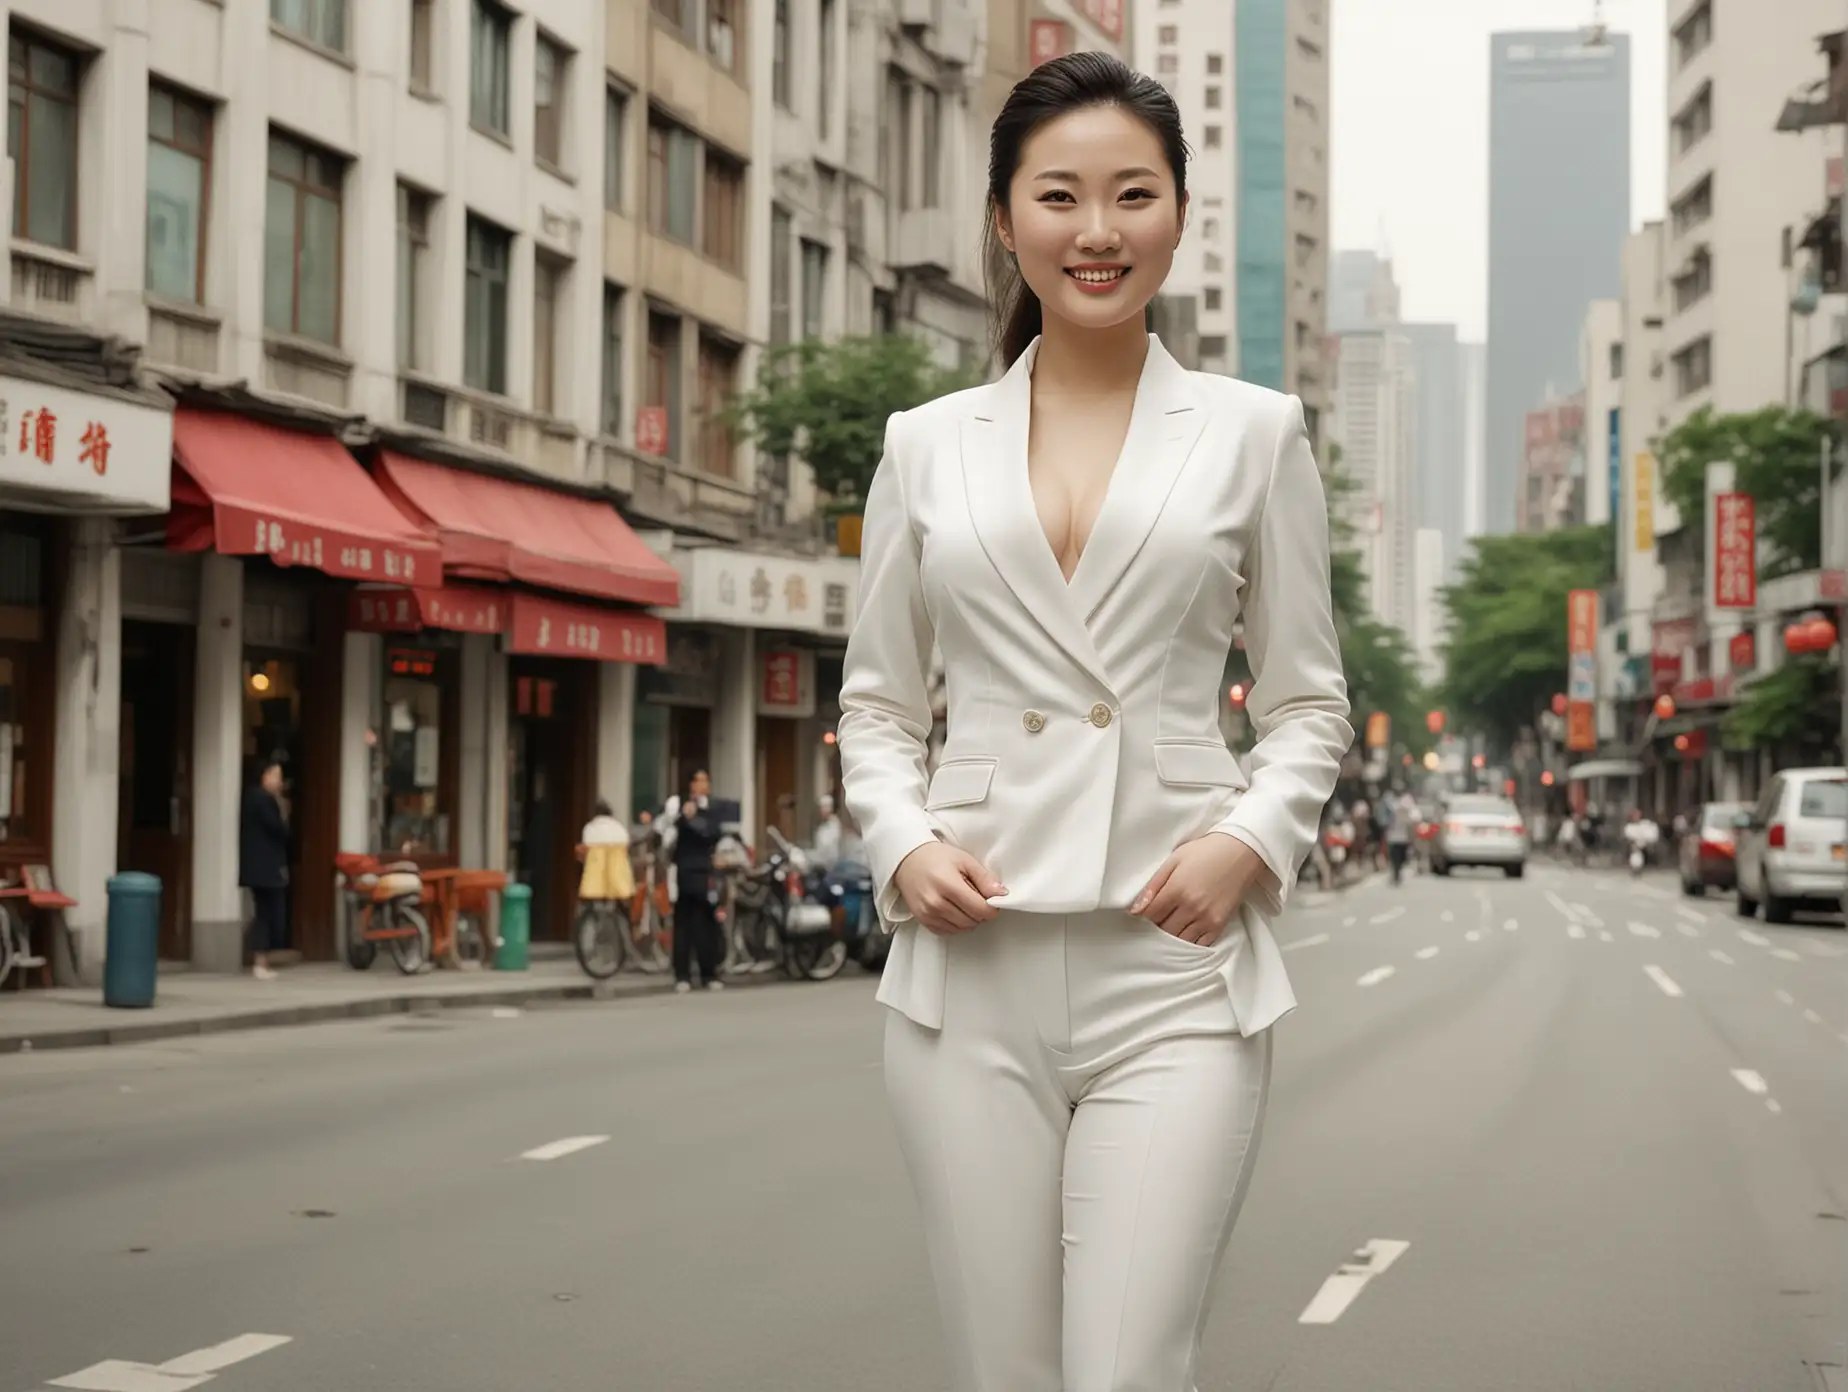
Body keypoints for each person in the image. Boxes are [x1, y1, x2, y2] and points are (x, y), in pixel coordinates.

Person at [837, 53, 1351, 1392]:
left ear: (1179, 216)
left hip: (1172, 965)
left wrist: (1248, 843)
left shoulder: (1254, 434)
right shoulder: (923, 444)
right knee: (1003, 1374)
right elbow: (879, 707)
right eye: (1059, 195)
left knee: (1126, 1369)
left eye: (1134, 194)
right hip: (969, 969)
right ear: (1005, 221)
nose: (1098, 230)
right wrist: (899, 845)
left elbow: (1306, 704)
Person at [669, 770, 726, 994]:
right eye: (698, 781)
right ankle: (682, 975)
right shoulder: (680, 805)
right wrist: (684, 816)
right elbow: (669, 831)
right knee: (683, 925)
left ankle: (708, 973)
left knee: (706, 924)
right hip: (684, 871)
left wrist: (695, 819)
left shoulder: (711, 809)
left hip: (705, 873)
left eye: (705, 781)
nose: (702, 785)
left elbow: (714, 833)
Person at [239, 759, 291, 980]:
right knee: (268, 913)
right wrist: (283, 809)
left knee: (266, 911)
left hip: (259, 866)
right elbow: (277, 828)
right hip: (265, 867)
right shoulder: (263, 799)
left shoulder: (252, 798)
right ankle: (259, 961)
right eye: (277, 776)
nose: (280, 782)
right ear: (265, 776)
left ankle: (260, 957)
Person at [1385, 785, 1418, 885]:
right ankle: (1396, 874)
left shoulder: (1407, 809)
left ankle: (1397, 873)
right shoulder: (1392, 805)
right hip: (1394, 838)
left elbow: (1414, 820)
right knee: (1395, 858)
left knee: (1401, 857)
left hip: (1403, 838)